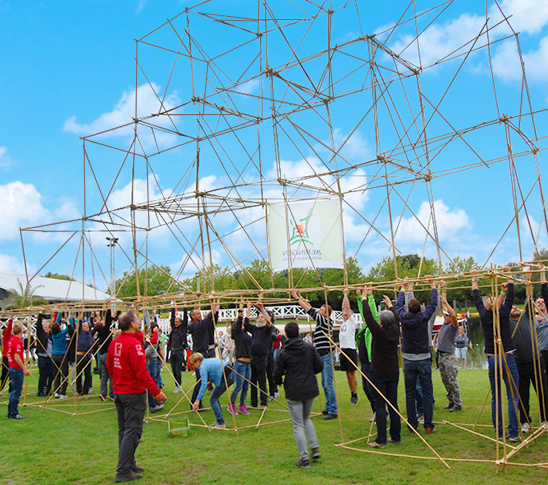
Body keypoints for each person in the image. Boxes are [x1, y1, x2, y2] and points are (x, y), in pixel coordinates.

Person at [107, 311, 167, 483]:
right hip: (132, 393)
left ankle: (129, 463)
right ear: (132, 324)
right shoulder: (133, 345)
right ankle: (123, 470)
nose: (139, 323)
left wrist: (118, 380)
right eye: (137, 321)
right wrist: (156, 392)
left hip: (120, 391)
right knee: (133, 431)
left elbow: (110, 366)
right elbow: (142, 373)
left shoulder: (116, 343)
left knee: (124, 430)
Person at [472, 267, 520, 442]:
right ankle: (514, 433)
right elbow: (511, 296)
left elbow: (476, 297)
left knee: (497, 397)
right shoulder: (504, 313)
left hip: (493, 359)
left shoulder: (485, 316)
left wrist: (474, 279)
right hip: (507, 356)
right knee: (513, 396)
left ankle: (500, 432)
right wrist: (508, 274)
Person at [274, 321, 323, 468]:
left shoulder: (285, 352)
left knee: (298, 424)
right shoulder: (308, 348)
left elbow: (277, 372)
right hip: (309, 388)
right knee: (306, 418)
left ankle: (304, 458)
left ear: (287, 335)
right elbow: (319, 365)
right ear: (298, 333)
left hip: (294, 389)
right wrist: (309, 373)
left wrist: (278, 382)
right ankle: (314, 448)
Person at [396, 276, 438, 434]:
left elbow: (398, 305)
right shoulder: (423, 318)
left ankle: (412, 425)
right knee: (427, 393)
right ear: (420, 308)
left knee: (410, 393)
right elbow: (433, 305)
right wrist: (433, 286)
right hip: (423, 360)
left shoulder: (404, 317)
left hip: (409, 361)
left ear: (408, 308)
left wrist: (402, 287)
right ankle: (428, 425)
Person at [360, 288, 401, 448]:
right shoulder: (395, 330)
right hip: (393, 372)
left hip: (379, 373)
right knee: (393, 404)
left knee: (380, 406)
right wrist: (390, 305)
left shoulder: (379, 333)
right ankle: (396, 436)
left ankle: (381, 440)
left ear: (381, 322)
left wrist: (364, 299)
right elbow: (396, 318)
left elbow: (368, 317)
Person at [509, 270, 548, 432]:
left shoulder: (527, 316)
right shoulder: (507, 324)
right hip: (519, 362)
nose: (515, 308)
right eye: (511, 307)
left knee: (543, 391)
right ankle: (525, 421)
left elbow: (529, 298)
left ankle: (545, 420)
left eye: (515, 306)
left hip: (536, 359)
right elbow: (501, 307)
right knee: (522, 394)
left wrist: (528, 281)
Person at [292, 289, 338, 420]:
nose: (319, 311)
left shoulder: (326, 321)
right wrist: (300, 296)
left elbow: (310, 310)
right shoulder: (322, 322)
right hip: (323, 356)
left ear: (326, 313)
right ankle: (329, 407)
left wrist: (297, 298)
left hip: (327, 355)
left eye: (322, 310)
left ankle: (333, 410)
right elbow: (311, 308)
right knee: (324, 383)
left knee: (328, 384)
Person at [189, 352, 235, 428]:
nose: (194, 367)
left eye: (193, 364)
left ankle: (221, 423)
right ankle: (219, 420)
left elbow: (203, 384)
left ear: (197, 361)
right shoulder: (206, 361)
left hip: (228, 377)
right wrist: (210, 383)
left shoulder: (202, 367)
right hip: (231, 374)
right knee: (215, 397)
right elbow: (214, 370)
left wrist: (197, 400)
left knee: (212, 399)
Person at [188, 301, 219, 408]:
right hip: (199, 355)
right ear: (193, 317)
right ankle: (195, 403)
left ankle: (196, 403)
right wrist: (212, 303)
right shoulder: (196, 325)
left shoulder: (197, 324)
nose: (200, 315)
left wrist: (216, 304)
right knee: (200, 380)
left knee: (201, 380)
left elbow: (212, 318)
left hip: (202, 353)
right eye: (198, 314)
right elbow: (208, 318)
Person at [243, 300, 274, 408]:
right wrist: (248, 308)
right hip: (253, 358)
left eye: (262, 317)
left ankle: (264, 403)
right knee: (253, 381)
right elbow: (246, 324)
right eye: (259, 317)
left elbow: (269, 322)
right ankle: (253, 402)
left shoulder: (267, 329)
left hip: (262, 358)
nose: (260, 318)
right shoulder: (255, 329)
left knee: (262, 380)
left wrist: (262, 308)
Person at [437, 288, 463, 412]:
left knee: (452, 380)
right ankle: (451, 401)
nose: (445, 317)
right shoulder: (444, 324)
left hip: (449, 356)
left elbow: (453, 315)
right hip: (441, 356)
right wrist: (444, 292)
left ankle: (458, 403)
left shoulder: (453, 326)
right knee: (445, 380)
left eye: (446, 316)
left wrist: (447, 303)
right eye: (444, 315)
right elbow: (444, 306)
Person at [355, 289, 378, 421]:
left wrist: (370, 297)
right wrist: (359, 297)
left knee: (372, 388)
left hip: (371, 362)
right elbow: (363, 312)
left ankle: (380, 412)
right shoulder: (364, 328)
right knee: (366, 388)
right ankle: (375, 410)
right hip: (363, 362)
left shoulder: (372, 328)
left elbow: (372, 314)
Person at [228, 303, 252, 415]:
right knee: (238, 386)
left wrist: (249, 308)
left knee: (246, 386)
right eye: (240, 323)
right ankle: (231, 404)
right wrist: (241, 309)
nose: (242, 324)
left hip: (248, 364)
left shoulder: (245, 334)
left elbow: (246, 321)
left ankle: (242, 405)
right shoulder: (237, 334)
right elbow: (240, 320)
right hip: (241, 363)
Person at [7, 322, 31, 419]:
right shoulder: (17, 341)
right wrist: (24, 368)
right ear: (21, 331)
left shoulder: (11, 340)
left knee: (14, 391)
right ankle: (13, 413)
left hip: (12, 367)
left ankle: (11, 412)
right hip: (16, 368)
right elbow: (16, 357)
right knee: (16, 392)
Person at [339, 290, 359, 405]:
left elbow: (346, 307)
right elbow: (344, 308)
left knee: (352, 374)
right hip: (343, 350)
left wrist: (345, 294)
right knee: (347, 374)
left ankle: (355, 394)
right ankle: (352, 392)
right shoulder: (343, 324)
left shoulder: (351, 322)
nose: (344, 314)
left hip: (350, 350)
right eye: (343, 314)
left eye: (346, 313)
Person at [51, 312, 74, 399]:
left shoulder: (53, 334)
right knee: (64, 375)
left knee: (57, 374)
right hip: (62, 356)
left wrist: (60, 312)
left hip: (54, 355)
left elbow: (56, 323)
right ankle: (63, 393)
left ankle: (56, 391)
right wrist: (70, 316)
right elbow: (70, 326)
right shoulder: (62, 334)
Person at [94, 309, 115, 401]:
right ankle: (112, 394)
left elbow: (104, 322)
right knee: (111, 375)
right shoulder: (105, 331)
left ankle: (103, 393)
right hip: (107, 355)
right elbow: (108, 321)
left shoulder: (100, 333)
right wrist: (108, 309)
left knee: (104, 376)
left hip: (101, 355)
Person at [144, 325, 164, 413]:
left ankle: (154, 402)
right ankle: (153, 403)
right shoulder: (150, 337)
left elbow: (156, 345)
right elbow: (149, 350)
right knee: (152, 382)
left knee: (153, 381)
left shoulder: (152, 338)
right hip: (151, 361)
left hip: (152, 361)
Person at [168, 306, 188, 394]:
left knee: (177, 369)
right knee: (173, 369)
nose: (175, 323)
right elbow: (172, 318)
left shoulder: (182, 329)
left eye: (177, 322)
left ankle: (178, 385)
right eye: (175, 322)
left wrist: (185, 307)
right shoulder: (174, 328)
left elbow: (185, 318)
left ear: (180, 322)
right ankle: (176, 384)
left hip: (179, 350)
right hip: (173, 350)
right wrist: (173, 306)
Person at [35, 314, 54, 396]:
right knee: (42, 375)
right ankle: (40, 391)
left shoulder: (51, 335)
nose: (46, 329)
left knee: (51, 375)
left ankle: (49, 390)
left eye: (48, 327)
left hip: (50, 357)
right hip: (42, 356)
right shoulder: (41, 334)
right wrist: (40, 313)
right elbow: (38, 325)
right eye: (45, 327)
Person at [75, 319, 94, 396]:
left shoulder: (90, 334)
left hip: (87, 356)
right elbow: (79, 325)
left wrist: (93, 317)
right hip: (80, 355)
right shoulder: (80, 333)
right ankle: (79, 390)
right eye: (84, 326)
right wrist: (80, 316)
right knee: (79, 374)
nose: (85, 327)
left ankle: (86, 390)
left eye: (86, 326)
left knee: (88, 374)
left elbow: (95, 327)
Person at [1, 316, 13, 395]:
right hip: (6, 358)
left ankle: (11, 391)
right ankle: (1, 389)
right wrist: (11, 320)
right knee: (4, 375)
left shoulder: (12, 338)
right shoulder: (6, 338)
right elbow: (8, 330)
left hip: (11, 359)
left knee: (11, 375)